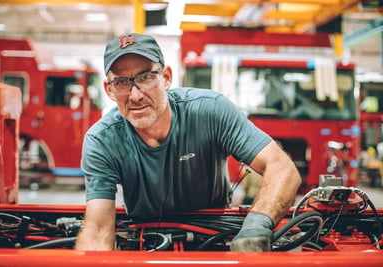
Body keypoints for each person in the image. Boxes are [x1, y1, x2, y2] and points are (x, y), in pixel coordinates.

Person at [75, 33, 302, 251]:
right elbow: (98, 230)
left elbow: (281, 168)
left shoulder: (211, 111)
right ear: (109, 90)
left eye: (145, 77)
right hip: (145, 239)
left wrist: (256, 225)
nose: (135, 95)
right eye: (122, 82)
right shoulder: (102, 140)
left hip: (215, 235)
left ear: (166, 78)